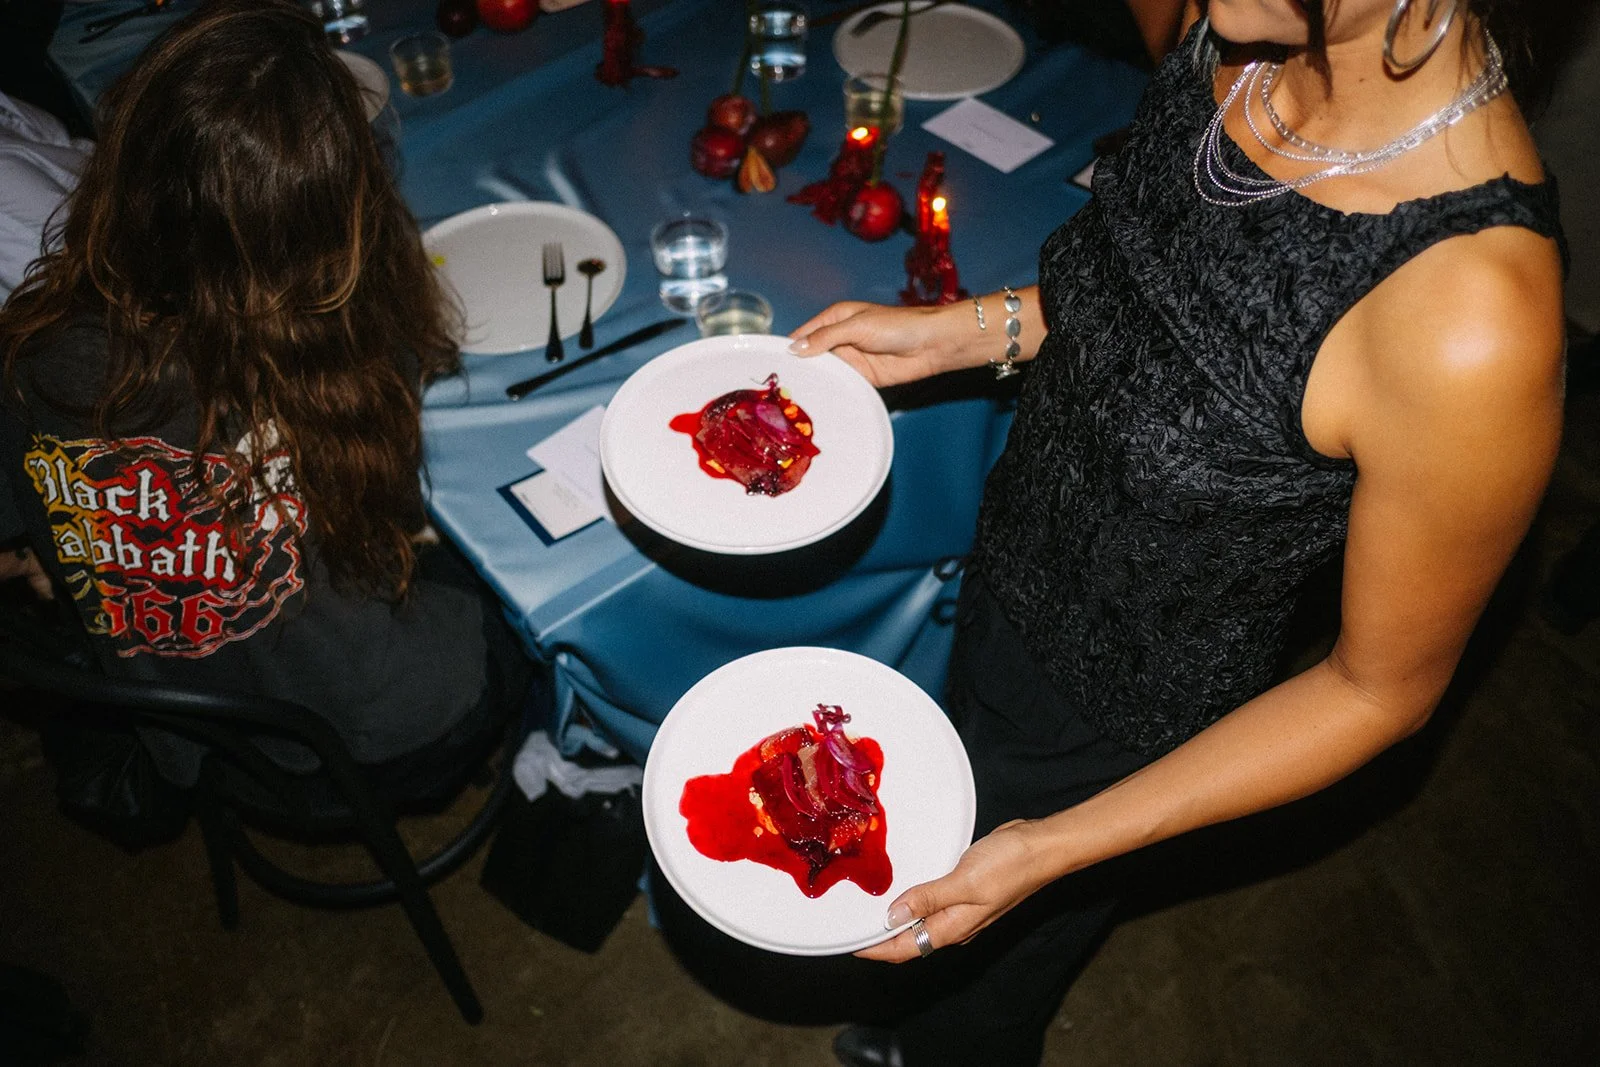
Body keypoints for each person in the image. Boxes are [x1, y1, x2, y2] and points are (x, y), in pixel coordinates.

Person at [789, 0, 1565, 1063]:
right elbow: (1153, 282)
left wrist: (1056, 848)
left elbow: (1377, 688)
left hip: (1127, 711)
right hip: (1011, 556)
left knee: (991, 963)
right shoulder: (1235, 34)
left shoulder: (1469, 314)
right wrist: (968, 330)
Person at [0, 0, 529, 801]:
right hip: (360, 734)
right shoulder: (316, 370)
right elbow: (391, 510)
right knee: (516, 583)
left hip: (191, 727)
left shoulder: (32, 345)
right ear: (324, 226)